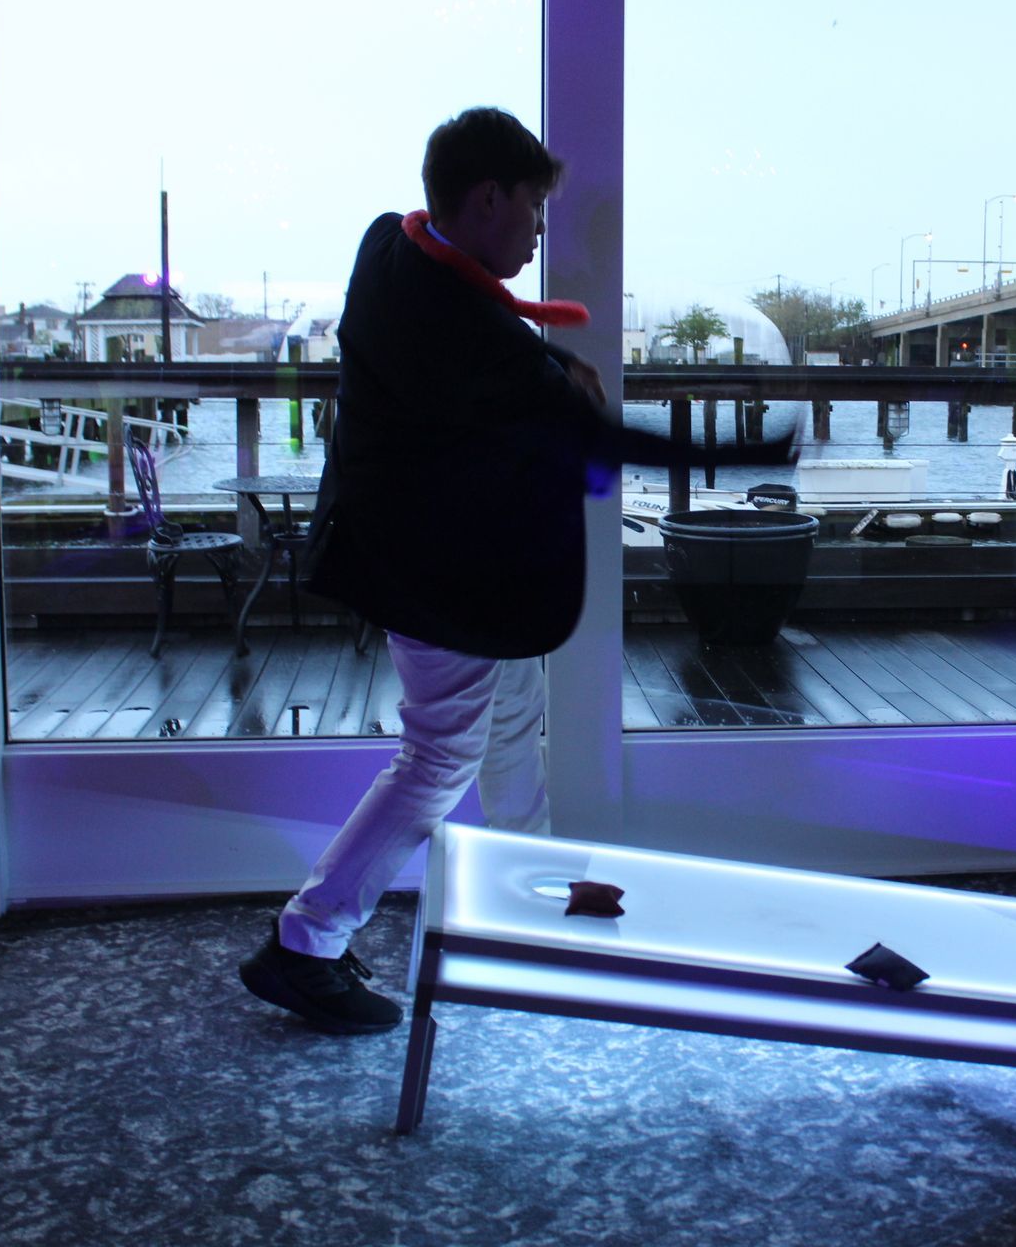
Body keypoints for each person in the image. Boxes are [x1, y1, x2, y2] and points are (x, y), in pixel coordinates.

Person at [238, 107, 794, 1035]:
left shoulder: (389, 249)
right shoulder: (471, 336)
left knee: (497, 730)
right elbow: (600, 436)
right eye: (533, 207)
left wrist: (545, 360)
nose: (538, 231)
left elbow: (460, 339)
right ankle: (306, 941)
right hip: (433, 570)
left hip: (422, 547)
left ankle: (513, 899)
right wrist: (756, 456)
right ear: (488, 196)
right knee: (438, 758)